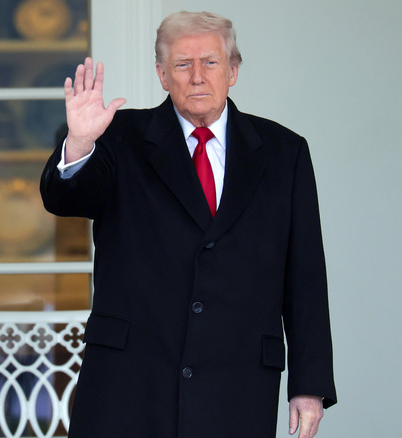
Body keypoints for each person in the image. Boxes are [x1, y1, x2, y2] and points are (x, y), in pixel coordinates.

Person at [40, 11, 336, 438]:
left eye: (210, 62)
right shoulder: (118, 136)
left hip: (237, 384)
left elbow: (305, 275)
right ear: (162, 75)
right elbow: (64, 199)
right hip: (129, 383)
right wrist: (82, 142)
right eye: (182, 64)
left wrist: (309, 385)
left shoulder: (284, 152)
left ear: (233, 71)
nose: (197, 76)